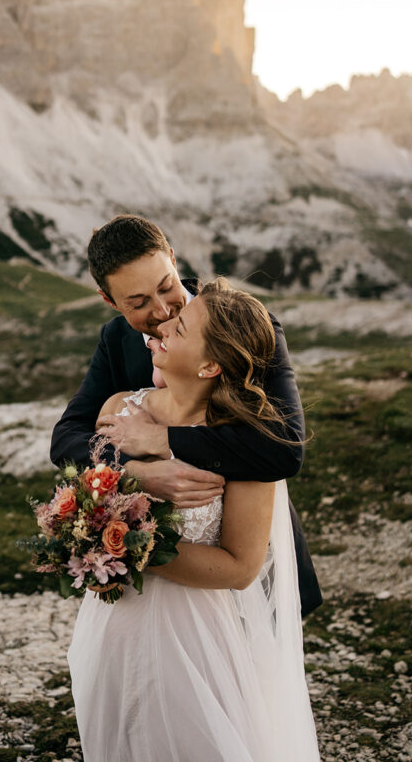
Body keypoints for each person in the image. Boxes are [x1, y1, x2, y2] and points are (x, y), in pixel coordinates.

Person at [67, 279, 321, 762]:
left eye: (179, 327)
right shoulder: (120, 407)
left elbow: (241, 568)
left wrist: (132, 548)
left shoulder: (244, 446)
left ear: (209, 366)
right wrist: (87, 525)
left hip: (195, 637)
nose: (161, 327)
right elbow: (89, 488)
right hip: (112, 623)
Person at [50, 214, 321, 616]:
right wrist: (133, 472)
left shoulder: (243, 326)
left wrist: (162, 440)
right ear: (110, 301)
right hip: (155, 592)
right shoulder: (116, 340)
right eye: (138, 302)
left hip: (245, 560)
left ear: (174, 260)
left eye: (166, 286)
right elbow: (67, 438)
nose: (162, 311)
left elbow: (284, 449)